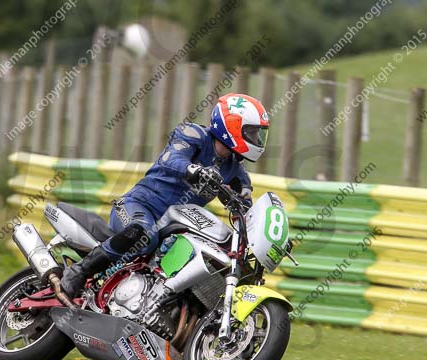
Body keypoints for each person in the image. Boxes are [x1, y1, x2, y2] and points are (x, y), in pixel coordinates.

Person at [60, 93, 270, 297]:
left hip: (173, 228)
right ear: (231, 126)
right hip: (138, 206)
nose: (256, 139)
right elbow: (171, 159)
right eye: (251, 132)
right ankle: (79, 271)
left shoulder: (234, 168)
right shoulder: (193, 134)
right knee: (144, 234)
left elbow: (244, 204)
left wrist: (256, 229)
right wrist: (193, 170)